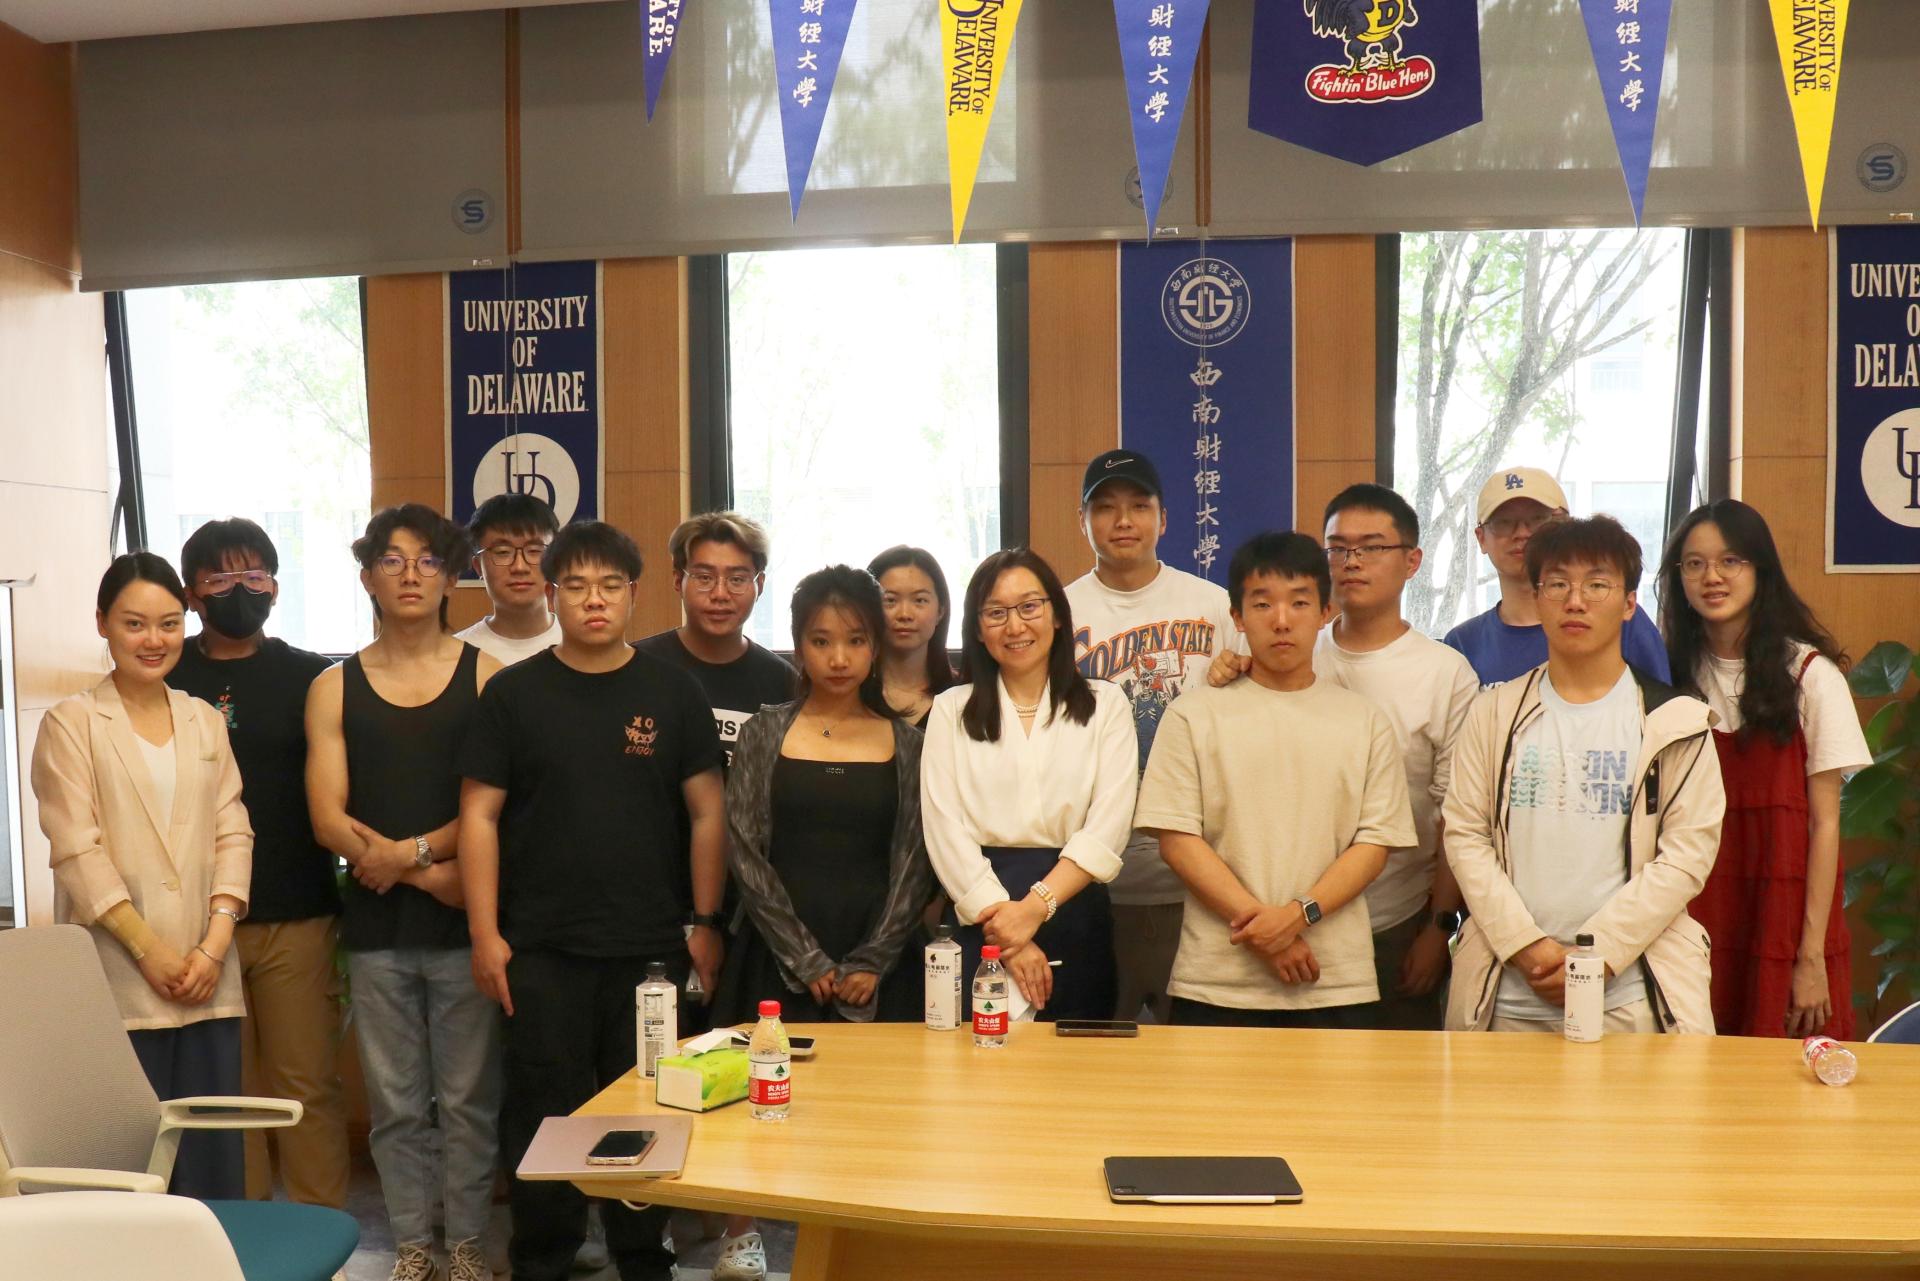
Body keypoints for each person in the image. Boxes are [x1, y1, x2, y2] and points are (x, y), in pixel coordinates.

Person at [458, 520, 726, 1281]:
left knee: (646, 1109)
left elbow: (708, 813)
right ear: (553, 595)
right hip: (539, 948)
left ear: (635, 594)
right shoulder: (513, 693)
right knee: (543, 1113)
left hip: (650, 949)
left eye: (610, 585)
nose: (594, 600)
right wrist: (485, 933)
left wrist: (706, 922)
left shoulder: (673, 691)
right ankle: (542, 1260)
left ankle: (644, 1258)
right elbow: (478, 816)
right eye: (575, 586)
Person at [305, 504, 502, 1281]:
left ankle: (468, 1247)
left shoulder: (487, 676)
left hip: (464, 923)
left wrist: (408, 856)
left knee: (468, 1102)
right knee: (395, 1106)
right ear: (367, 578)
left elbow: (493, 804)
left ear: (451, 578)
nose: (410, 574)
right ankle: (414, 1246)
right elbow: (327, 816)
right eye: (393, 560)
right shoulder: (334, 686)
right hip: (376, 929)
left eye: (427, 560)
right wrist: (397, 864)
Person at [1443, 515, 1724, 1035]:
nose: (1575, 601)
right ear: (1537, 597)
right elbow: (1465, 835)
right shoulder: (1492, 713)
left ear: (1628, 603)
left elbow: (1687, 856)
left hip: (1634, 995)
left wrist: (1597, 955)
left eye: (1597, 585)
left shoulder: (1676, 721)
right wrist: (1526, 945)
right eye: (1557, 584)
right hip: (1506, 996)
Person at [33, 553, 252, 1198]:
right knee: (127, 1171)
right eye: (134, 623)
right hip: (119, 978)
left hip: (207, 977)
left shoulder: (203, 719)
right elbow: (77, 851)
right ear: (102, 623)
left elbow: (233, 830)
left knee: (212, 1169)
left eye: (168, 623)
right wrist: (148, 950)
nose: (153, 640)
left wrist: (213, 946)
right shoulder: (72, 722)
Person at [1136, 532, 1414, 1029]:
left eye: (1300, 602)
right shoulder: (1193, 715)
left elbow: (1375, 844)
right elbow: (1177, 840)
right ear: (1238, 617)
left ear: (1325, 611)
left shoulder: (1364, 720)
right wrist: (1265, 930)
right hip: (1215, 980)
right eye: (1262, 604)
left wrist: (1297, 916)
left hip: (1334, 980)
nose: (1281, 620)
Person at [168, 518, 347, 1208]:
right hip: (195, 920)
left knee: (306, 1086)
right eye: (219, 577)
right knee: (225, 1095)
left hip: (296, 911)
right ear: (192, 593)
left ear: (275, 586)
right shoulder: (167, 673)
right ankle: (239, 1239)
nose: (239, 590)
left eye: (254, 575)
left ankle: (320, 1233)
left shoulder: (313, 676)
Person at [1660, 500, 1867, 1039]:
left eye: (1730, 561)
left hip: (1784, 920)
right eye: (1694, 564)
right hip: (1688, 918)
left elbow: (1825, 825)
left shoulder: (1811, 675)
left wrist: (1811, 956)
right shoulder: (1664, 677)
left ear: (1760, 569)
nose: (1712, 577)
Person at [920, 548, 1137, 1023]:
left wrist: (1035, 909)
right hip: (982, 914)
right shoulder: (950, 709)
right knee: (981, 1057)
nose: (1015, 625)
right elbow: (943, 829)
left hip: (1073, 905)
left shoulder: (1106, 704)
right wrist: (1008, 932)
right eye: (996, 613)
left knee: (1078, 1054)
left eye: (1029, 607)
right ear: (978, 629)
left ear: (1057, 614)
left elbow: (1109, 825)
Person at [714, 565, 934, 1027]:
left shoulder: (910, 744)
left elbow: (916, 862)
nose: (839, 658)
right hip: (775, 952)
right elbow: (744, 851)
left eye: (855, 641)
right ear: (798, 647)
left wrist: (874, 959)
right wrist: (804, 957)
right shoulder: (763, 732)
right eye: (821, 641)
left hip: (882, 958)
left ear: (875, 646)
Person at [1064, 449, 1239, 1024]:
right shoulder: (1059, 612)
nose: (1123, 521)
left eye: (1139, 506)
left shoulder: (1213, 605)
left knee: (1187, 1043)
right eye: (1105, 508)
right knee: (1097, 1035)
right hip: (1088, 875)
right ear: (1082, 520)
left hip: (1194, 877)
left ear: (1164, 519)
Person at [1442, 467, 1670, 686]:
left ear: (1565, 527)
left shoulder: (1617, 618)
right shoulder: (1462, 643)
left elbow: (1660, 703)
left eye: (1537, 519)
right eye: (1504, 523)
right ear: (1481, 538)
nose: (1521, 533)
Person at [634, 511, 795, 766]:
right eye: (705, 578)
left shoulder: (783, 682)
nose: (720, 594)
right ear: (678, 580)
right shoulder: (637, 667)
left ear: (760, 585)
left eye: (737, 579)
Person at [455, 491, 562, 666]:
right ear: (478, 566)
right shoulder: (455, 656)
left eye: (534, 551)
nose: (519, 567)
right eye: (503, 552)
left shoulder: (583, 646)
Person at [868, 545, 958, 727]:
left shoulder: (965, 696)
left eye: (920, 600)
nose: (904, 614)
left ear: (940, 611)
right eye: (890, 600)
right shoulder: (851, 695)